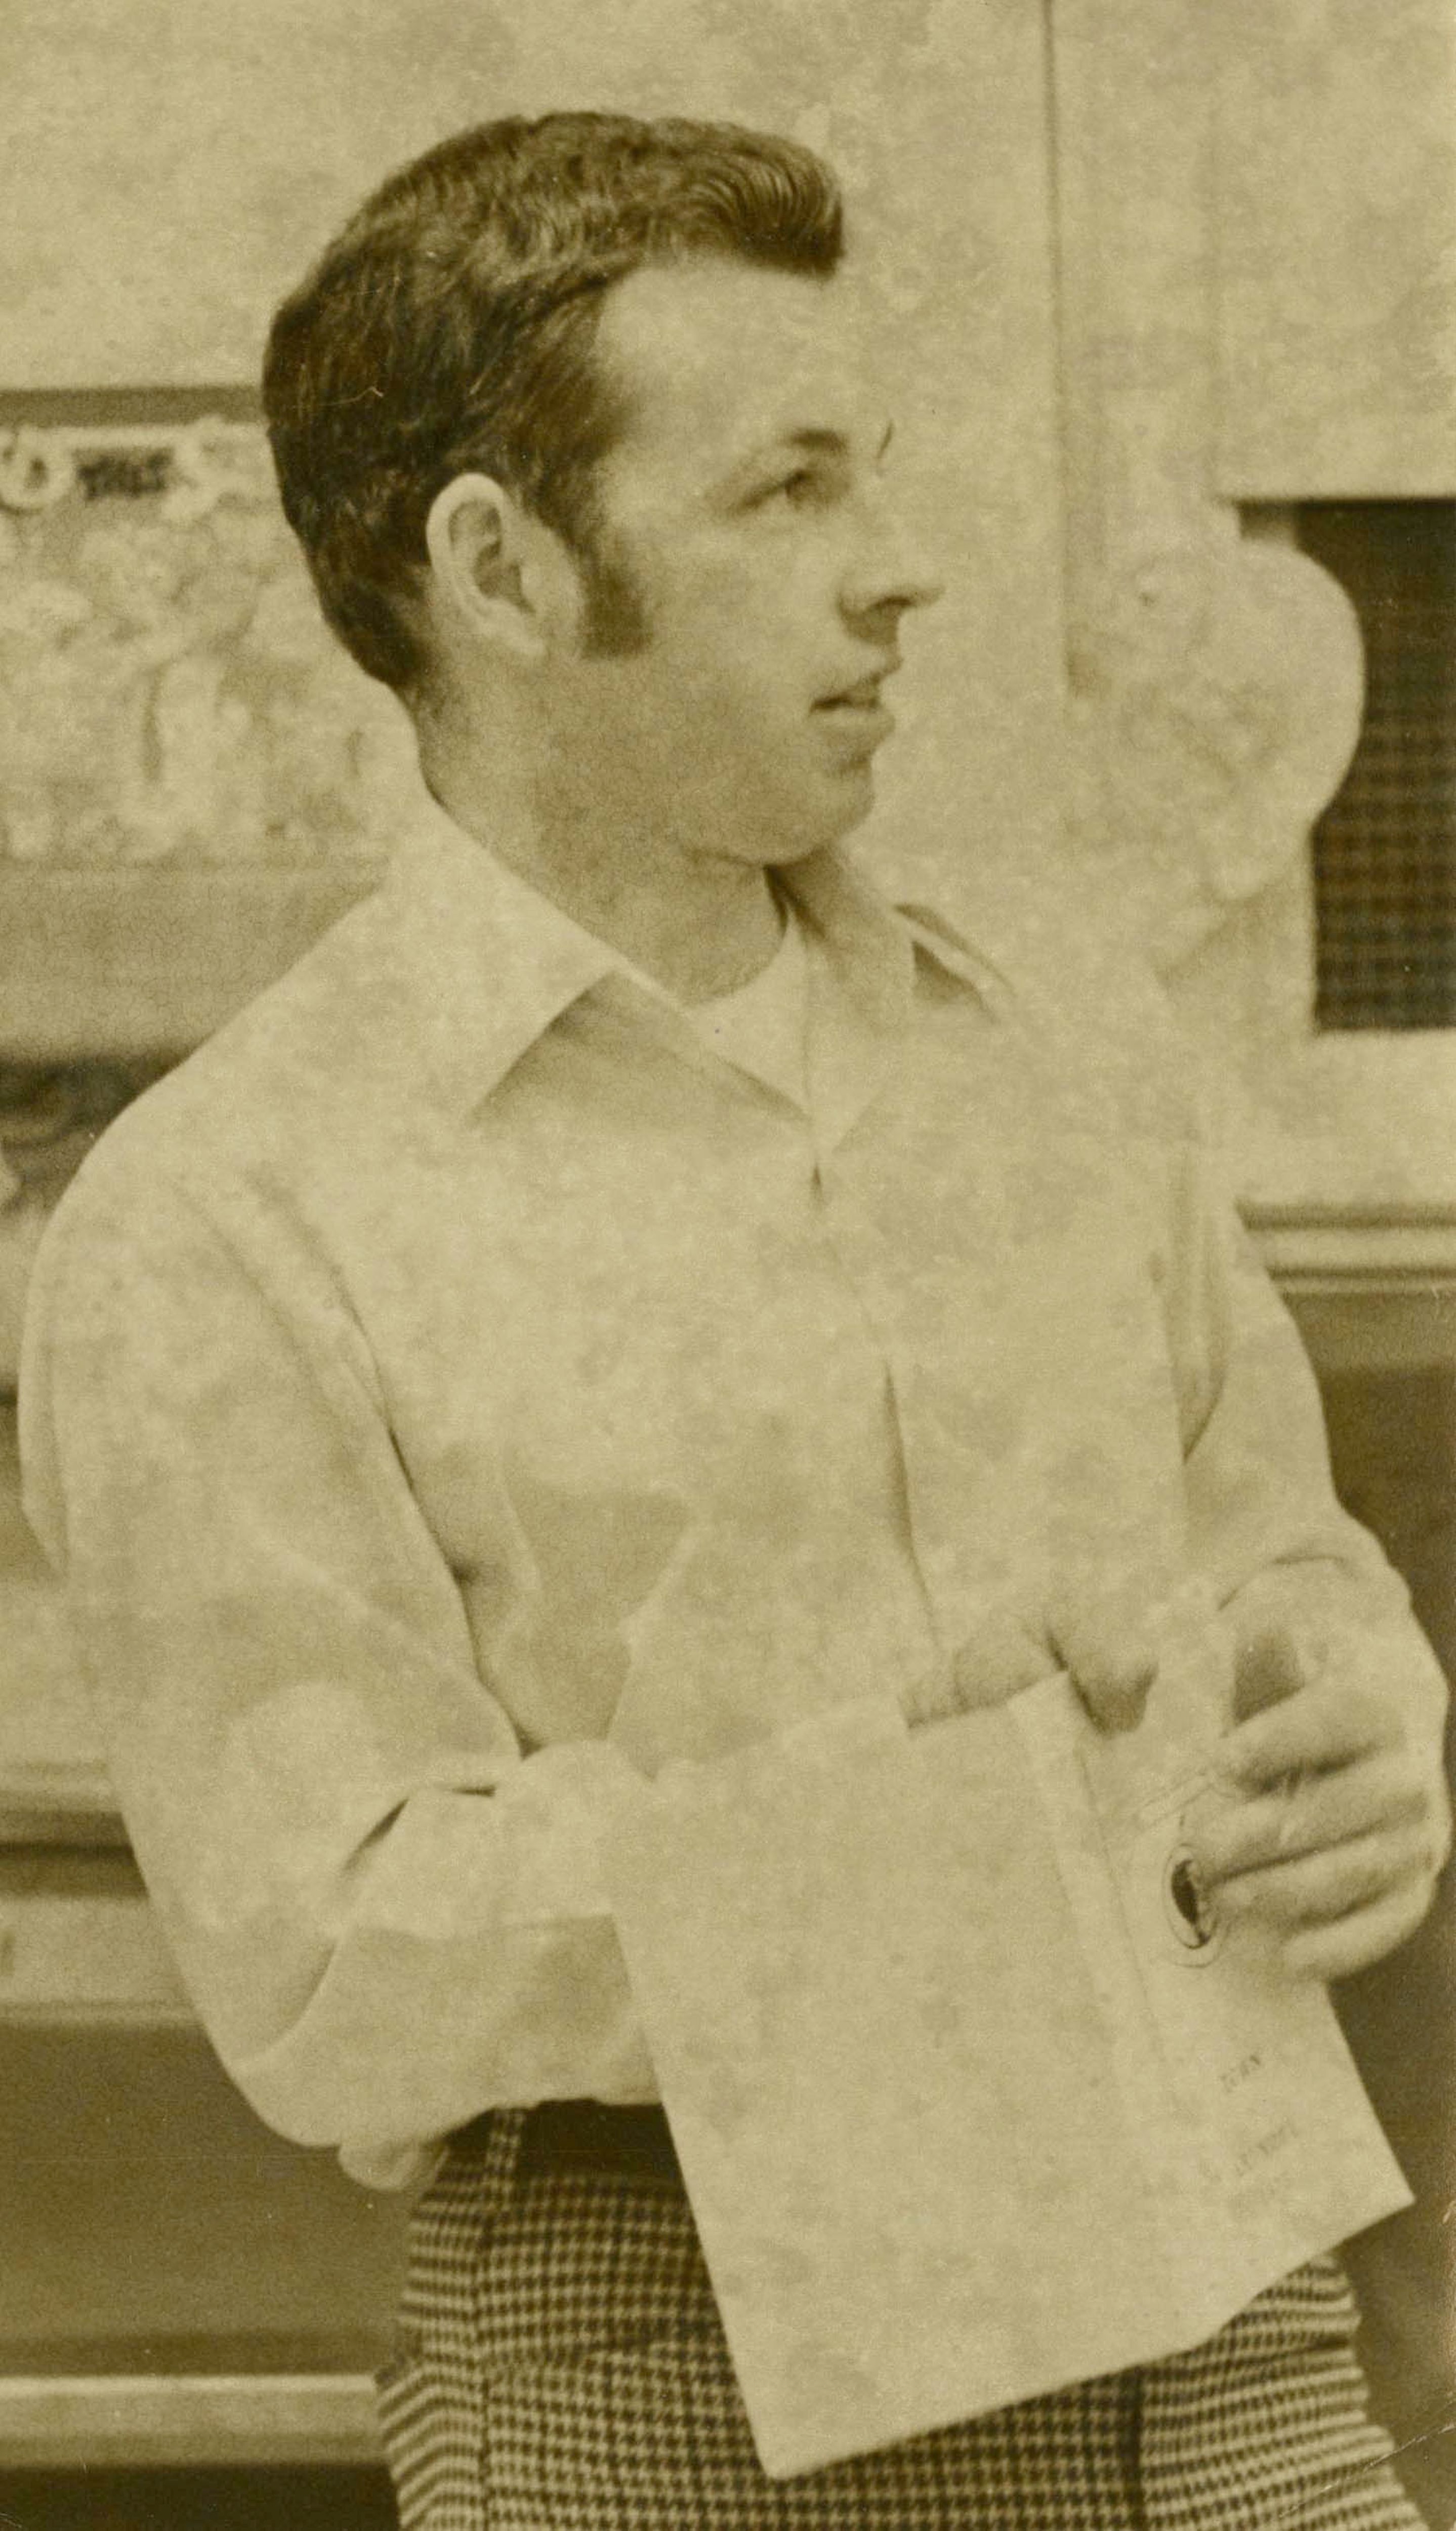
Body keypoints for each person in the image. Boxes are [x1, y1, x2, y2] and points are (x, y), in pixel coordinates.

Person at [18, 112, 1451, 2530]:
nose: (899, 566)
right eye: (787, 490)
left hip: (1242, 2304)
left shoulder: (1059, 1044)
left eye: (869, 469)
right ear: (501, 571)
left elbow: (1282, 1550)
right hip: (678, 2355)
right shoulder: (225, 1216)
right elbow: (327, 1950)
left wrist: (1373, 1721)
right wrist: (892, 1820)